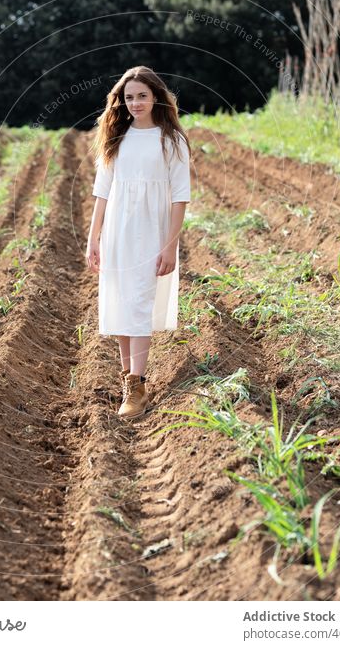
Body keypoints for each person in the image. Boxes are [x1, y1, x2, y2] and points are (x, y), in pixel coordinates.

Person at [85, 65, 192, 420]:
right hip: (118, 230)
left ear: (156, 97)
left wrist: (170, 245)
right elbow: (102, 192)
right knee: (120, 303)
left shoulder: (171, 141)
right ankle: (129, 381)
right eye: (129, 97)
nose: (135, 103)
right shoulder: (115, 138)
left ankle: (137, 384)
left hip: (152, 231)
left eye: (142, 96)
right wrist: (93, 238)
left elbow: (180, 197)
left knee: (139, 304)